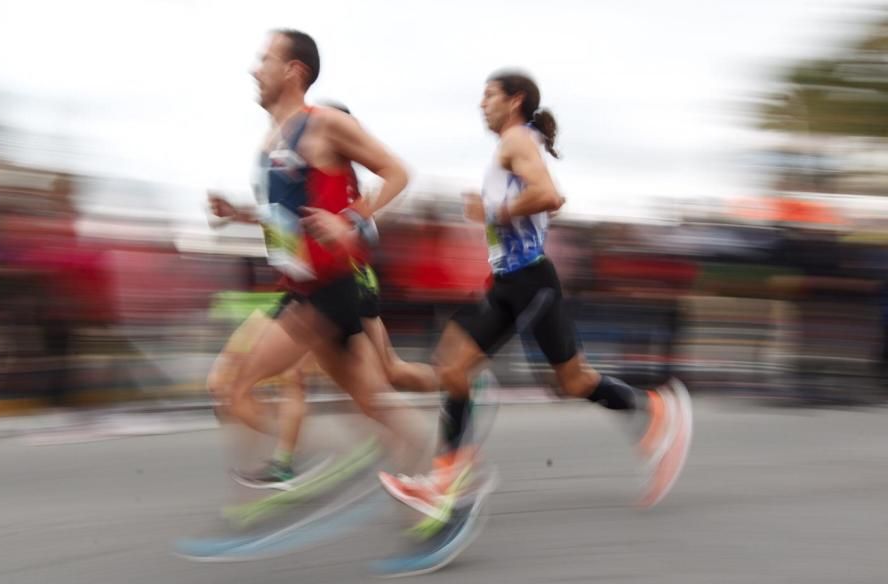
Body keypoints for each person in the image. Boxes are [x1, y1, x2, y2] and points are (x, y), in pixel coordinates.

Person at [379, 70, 693, 519]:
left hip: (530, 283)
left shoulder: (516, 141)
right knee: (454, 366)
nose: (481, 104)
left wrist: (493, 210)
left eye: (489, 95)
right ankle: (449, 475)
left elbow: (549, 195)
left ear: (515, 101)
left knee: (572, 381)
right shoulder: (511, 146)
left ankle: (655, 409)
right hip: (509, 283)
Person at [206, 29, 425, 484]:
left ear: (294, 71)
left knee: (233, 387)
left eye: (264, 59)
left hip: (328, 292)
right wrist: (239, 215)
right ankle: (439, 478)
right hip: (300, 288)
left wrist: (350, 219)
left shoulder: (324, 123)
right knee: (371, 404)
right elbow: (283, 220)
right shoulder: (270, 142)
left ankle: (308, 463)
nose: (253, 68)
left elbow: (397, 173)